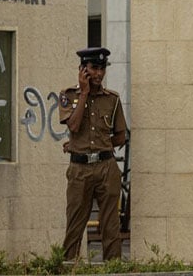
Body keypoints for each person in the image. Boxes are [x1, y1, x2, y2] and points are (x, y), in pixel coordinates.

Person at [58, 47, 127, 261]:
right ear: (83, 70)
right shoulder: (68, 96)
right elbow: (75, 126)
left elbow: (120, 137)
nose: (98, 74)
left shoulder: (112, 99)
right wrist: (85, 92)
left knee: (111, 227)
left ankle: (113, 270)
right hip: (80, 170)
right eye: (93, 68)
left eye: (102, 68)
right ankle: (70, 267)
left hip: (106, 167)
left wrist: (98, 145)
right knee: (74, 227)